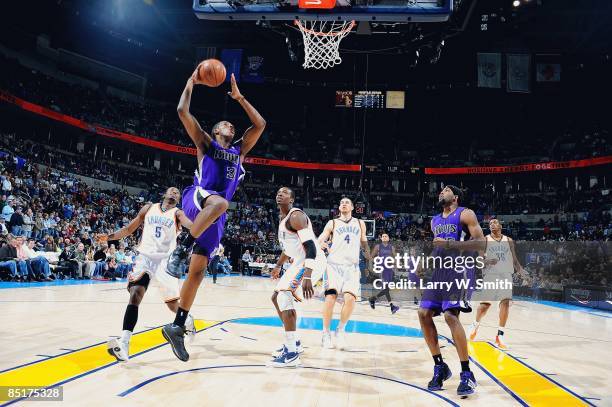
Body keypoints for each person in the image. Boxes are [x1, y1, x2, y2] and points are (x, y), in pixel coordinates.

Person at [161, 69, 266, 362]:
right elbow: (182, 110)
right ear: (215, 130)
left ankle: (177, 326)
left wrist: (240, 97)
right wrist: (190, 81)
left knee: (197, 273)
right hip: (200, 198)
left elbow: (260, 123)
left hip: (215, 214)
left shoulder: (239, 150)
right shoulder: (206, 144)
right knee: (221, 204)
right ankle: (181, 248)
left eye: (232, 125)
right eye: (224, 123)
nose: (230, 125)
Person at [97, 187, 196, 362]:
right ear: (164, 194)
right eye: (171, 191)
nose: (173, 193)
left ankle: (187, 320)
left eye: (176, 192)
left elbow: (190, 225)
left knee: (173, 306)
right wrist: (109, 237)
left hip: (166, 261)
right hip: (145, 258)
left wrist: (202, 224)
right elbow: (128, 229)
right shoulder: (148, 208)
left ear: (179, 198)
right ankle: (125, 343)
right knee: (135, 295)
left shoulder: (177, 213)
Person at [418, 185, 485, 396]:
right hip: (439, 272)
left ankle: (467, 373)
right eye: (440, 190)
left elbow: (481, 243)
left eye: (445, 190)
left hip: (459, 270)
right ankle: (440, 367)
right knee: (423, 313)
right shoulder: (434, 220)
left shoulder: (465, 213)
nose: (441, 192)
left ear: (455, 197)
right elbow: (439, 247)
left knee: (450, 316)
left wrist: (450, 244)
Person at [269, 186, 326, 367]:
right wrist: (278, 266)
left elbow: (311, 247)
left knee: (285, 294)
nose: (280, 194)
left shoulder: (296, 216)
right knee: (276, 297)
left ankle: (292, 353)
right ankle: (294, 342)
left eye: (285, 193)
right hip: (299, 260)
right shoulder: (282, 219)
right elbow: (288, 249)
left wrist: (308, 276)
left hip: (312, 260)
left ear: (292, 199)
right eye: (278, 192)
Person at [317, 197, 370, 350]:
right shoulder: (332, 223)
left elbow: (364, 240)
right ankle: (325, 333)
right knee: (330, 297)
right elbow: (321, 238)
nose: (344, 204)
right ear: (339, 207)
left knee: (351, 299)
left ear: (352, 207)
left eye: (347, 202)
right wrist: (321, 243)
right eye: (341, 203)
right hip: (334, 266)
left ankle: (340, 330)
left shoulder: (360, 223)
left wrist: (368, 254)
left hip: (352, 267)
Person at [469, 218, 526, 349]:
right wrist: (487, 262)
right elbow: (479, 262)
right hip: (490, 275)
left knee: (505, 303)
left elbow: (515, 260)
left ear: (500, 225)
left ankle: (500, 335)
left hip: (506, 275)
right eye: (490, 224)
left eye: (494, 222)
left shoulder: (509, 240)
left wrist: (521, 271)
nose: (492, 224)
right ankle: (475, 324)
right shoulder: (485, 240)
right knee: (484, 306)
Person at [368, 233, 400, 314]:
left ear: (388, 238)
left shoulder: (391, 247)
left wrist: (395, 266)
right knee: (386, 288)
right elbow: (371, 257)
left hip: (389, 269)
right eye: (383, 236)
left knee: (387, 289)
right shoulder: (378, 246)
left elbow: (395, 257)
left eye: (386, 236)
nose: (385, 237)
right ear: (381, 238)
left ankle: (373, 299)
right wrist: (372, 266)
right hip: (382, 269)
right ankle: (392, 306)